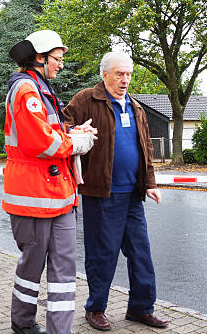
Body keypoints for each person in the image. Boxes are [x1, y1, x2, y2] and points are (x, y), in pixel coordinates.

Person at [63, 51, 169, 330]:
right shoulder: (87, 99)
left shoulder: (136, 107)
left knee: (141, 254)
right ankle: (95, 308)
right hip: (101, 194)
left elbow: (145, 148)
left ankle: (140, 308)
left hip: (133, 195)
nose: (125, 80)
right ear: (105, 74)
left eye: (129, 74)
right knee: (102, 255)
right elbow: (62, 128)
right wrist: (75, 132)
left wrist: (151, 183)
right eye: (120, 74)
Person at [3, 30, 96, 334]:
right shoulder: (26, 90)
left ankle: (60, 330)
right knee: (32, 265)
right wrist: (76, 142)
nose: (61, 65)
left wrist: (73, 133)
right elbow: (41, 142)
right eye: (57, 58)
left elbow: (52, 131)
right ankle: (23, 322)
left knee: (64, 268)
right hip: (35, 196)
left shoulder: (39, 88)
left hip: (57, 194)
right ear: (39, 58)